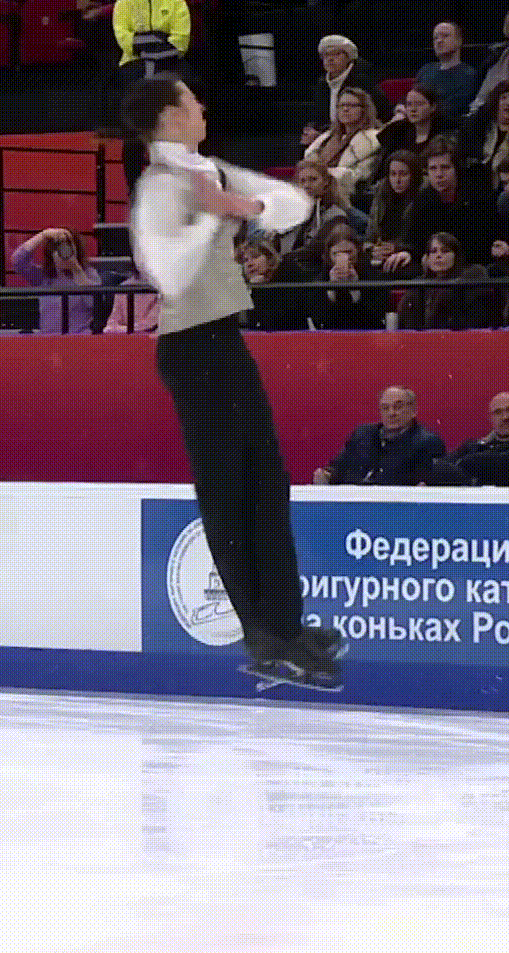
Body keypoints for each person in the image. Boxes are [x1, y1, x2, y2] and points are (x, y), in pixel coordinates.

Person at [122, 75, 346, 684]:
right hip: (191, 347)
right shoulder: (160, 184)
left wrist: (246, 207)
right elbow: (165, 270)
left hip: (222, 339)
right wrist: (212, 217)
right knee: (229, 493)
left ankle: (286, 625)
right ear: (169, 116)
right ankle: (263, 636)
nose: (203, 106)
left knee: (265, 484)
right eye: (191, 100)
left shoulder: (205, 171)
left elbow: (294, 204)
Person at [389, 136, 492, 271]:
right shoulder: (423, 199)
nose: (439, 174)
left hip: (469, 265)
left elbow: (482, 246)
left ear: (456, 169)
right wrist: (408, 253)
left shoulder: (477, 197)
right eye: (433, 168)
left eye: (445, 167)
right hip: (433, 265)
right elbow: (415, 241)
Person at [313, 386, 446, 485]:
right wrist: (326, 475)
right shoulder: (363, 434)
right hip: (351, 503)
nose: (391, 413)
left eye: (398, 407)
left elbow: (425, 485)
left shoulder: (427, 442)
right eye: (385, 408)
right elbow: (336, 468)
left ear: (413, 411)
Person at [427, 391, 509, 486]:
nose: (505, 417)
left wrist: (464, 466)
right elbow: (436, 468)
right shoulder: (474, 445)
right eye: (498, 412)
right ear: (490, 419)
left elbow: (500, 465)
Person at [301, 35, 388, 149]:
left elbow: (380, 113)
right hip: (331, 134)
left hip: (359, 133)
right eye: (326, 55)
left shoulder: (362, 80)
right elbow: (318, 116)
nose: (330, 59)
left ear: (349, 57)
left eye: (336, 54)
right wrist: (313, 130)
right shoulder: (322, 84)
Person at [10, 227, 103, 334]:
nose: (64, 250)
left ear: (76, 248)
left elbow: (94, 304)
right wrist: (42, 235)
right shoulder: (43, 276)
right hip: (49, 338)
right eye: (58, 246)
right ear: (51, 252)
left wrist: (76, 270)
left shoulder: (89, 273)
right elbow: (17, 261)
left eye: (68, 245)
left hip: (79, 337)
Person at [395, 231, 492, 329]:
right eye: (433, 251)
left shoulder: (471, 276)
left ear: (456, 256)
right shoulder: (419, 285)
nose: (438, 255)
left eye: (445, 251)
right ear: (427, 258)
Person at [459, 79, 509, 187]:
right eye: (503, 98)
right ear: (496, 103)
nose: (508, 103)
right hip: (475, 184)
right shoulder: (479, 127)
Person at [302, 86, 382, 196]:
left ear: (364, 109)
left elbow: (359, 176)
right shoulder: (327, 137)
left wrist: (323, 176)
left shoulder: (372, 140)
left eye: (352, 105)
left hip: (346, 196)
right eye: (341, 105)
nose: (345, 109)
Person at [306, 229, 388, 329]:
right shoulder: (320, 279)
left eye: (349, 252)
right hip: (332, 333)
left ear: (358, 250)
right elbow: (318, 319)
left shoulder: (374, 276)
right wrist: (331, 290)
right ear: (329, 255)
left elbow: (377, 314)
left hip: (367, 332)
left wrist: (355, 288)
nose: (345, 257)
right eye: (336, 254)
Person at [374, 84, 457, 181]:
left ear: (433, 107)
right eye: (409, 104)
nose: (413, 109)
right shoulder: (398, 130)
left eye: (419, 104)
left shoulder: (445, 133)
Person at [276, 158, 357, 254]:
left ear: (326, 182)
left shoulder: (336, 216)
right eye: (302, 181)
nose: (306, 185)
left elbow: (314, 251)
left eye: (313, 179)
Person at [365, 149, 422, 268]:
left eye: (403, 174)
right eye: (393, 174)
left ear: (413, 175)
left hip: (410, 255)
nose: (397, 180)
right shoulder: (382, 193)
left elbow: (421, 240)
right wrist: (372, 249)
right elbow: (370, 235)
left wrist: (398, 248)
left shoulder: (423, 196)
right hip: (381, 253)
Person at [414, 20, 478, 116]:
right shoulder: (426, 69)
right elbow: (412, 97)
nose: (439, 41)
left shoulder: (469, 76)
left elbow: (453, 109)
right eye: (435, 38)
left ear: (459, 41)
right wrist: (401, 109)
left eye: (445, 36)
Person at [238, 237, 292, 331]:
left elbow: (275, 324)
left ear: (269, 258)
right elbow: (244, 324)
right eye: (245, 260)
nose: (249, 264)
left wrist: (258, 291)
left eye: (255, 257)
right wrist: (253, 290)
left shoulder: (287, 281)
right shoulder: (243, 290)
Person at [103, 263, 160, 333]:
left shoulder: (163, 289)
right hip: (125, 335)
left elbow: (149, 325)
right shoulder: (124, 287)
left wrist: (122, 329)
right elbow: (111, 323)